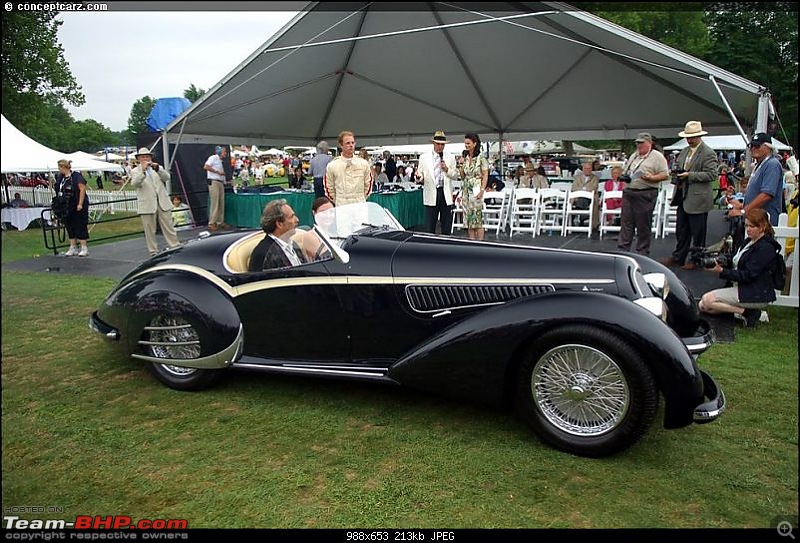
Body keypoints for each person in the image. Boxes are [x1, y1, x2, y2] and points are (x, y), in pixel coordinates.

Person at [699, 208, 781, 327]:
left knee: (707, 300)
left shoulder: (765, 248)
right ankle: (742, 312)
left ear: (762, 227)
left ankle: (748, 313)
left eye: (752, 226)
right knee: (703, 306)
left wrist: (722, 271)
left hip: (755, 292)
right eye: (746, 226)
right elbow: (736, 260)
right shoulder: (749, 241)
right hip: (743, 287)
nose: (748, 229)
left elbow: (748, 275)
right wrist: (720, 262)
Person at [661, 121, 719, 270]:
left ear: (699, 136)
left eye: (692, 137)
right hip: (683, 195)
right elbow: (678, 169)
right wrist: (677, 176)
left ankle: (696, 259)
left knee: (698, 232)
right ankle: (678, 257)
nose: (690, 140)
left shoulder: (708, 153)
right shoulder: (685, 151)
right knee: (681, 230)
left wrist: (690, 175)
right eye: (688, 137)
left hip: (698, 198)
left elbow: (712, 174)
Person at [617, 132, 670, 256]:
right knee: (626, 223)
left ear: (649, 143)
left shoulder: (657, 157)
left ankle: (642, 252)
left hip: (645, 192)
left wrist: (652, 178)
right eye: (637, 143)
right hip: (630, 191)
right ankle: (622, 250)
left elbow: (665, 175)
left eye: (641, 143)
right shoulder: (634, 155)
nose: (638, 145)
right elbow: (626, 170)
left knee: (643, 225)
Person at [129, 148, 181, 257]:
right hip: (147, 203)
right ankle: (153, 251)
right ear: (138, 159)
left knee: (168, 226)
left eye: (147, 156)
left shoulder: (157, 168)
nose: (145, 159)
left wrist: (158, 169)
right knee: (149, 229)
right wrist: (143, 171)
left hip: (162, 201)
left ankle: (175, 246)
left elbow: (167, 177)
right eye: (143, 157)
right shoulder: (135, 171)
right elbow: (135, 183)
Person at [727, 133, 784, 226]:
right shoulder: (760, 165)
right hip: (756, 219)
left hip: (764, 220)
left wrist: (743, 211)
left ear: (768, 147)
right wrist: (742, 205)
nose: (753, 148)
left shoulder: (772, 164)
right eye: (751, 145)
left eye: (757, 146)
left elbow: (766, 195)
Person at [415, 131, 459, 235]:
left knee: (446, 225)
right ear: (433, 143)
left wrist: (446, 169)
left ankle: (446, 247)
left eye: (442, 144)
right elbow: (420, 175)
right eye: (438, 144)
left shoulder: (450, 157)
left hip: (445, 194)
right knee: (430, 225)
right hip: (431, 193)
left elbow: (455, 175)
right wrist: (418, 177)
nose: (440, 146)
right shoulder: (423, 157)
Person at [249, 199, 302, 271]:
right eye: (292, 217)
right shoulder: (263, 254)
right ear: (279, 224)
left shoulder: (294, 245)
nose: (297, 220)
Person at [324, 131, 373, 206]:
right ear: (341, 145)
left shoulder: (363, 164)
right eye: (348, 143)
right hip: (342, 205)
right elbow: (328, 188)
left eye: (352, 143)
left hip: (359, 204)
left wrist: (360, 198)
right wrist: (339, 200)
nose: (351, 145)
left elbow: (368, 184)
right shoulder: (332, 165)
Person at [55, 159, 90, 257]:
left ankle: (84, 247)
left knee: (80, 224)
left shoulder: (76, 176)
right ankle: (72, 246)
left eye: (59, 168)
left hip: (76, 203)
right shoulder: (61, 178)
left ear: (63, 167)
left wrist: (80, 203)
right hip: (66, 205)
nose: (59, 170)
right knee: (69, 225)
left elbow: (82, 189)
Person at [458, 132, 489, 240]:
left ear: (474, 144)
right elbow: (462, 176)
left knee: (477, 219)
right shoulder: (465, 157)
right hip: (466, 190)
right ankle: (471, 243)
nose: (466, 145)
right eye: (465, 143)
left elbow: (485, 175)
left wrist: (482, 190)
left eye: (468, 143)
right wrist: (461, 164)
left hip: (476, 189)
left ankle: (480, 244)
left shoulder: (481, 158)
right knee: (468, 220)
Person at [203, 146, 229, 231]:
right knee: (215, 202)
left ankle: (220, 222)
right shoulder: (213, 158)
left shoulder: (220, 161)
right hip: (214, 182)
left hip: (220, 182)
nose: (225, 153)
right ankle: (212, 223)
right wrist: (217, 172)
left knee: (221, 202)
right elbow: (206, 166)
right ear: (220, 152)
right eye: (224, 152)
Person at [570, 162, 600, 230]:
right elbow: (574, 187)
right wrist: (583, 191)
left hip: (590, 198)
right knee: (581, 199)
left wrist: (583, 190)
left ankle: (576, 214)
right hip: (577, 197)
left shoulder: (595, 178)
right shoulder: (577, 177)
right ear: (583, 169)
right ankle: (583, 218)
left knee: (583, 199)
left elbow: (594, 187)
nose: (588, 170)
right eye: (586, 168)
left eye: (589, 168)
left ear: (591, 169)